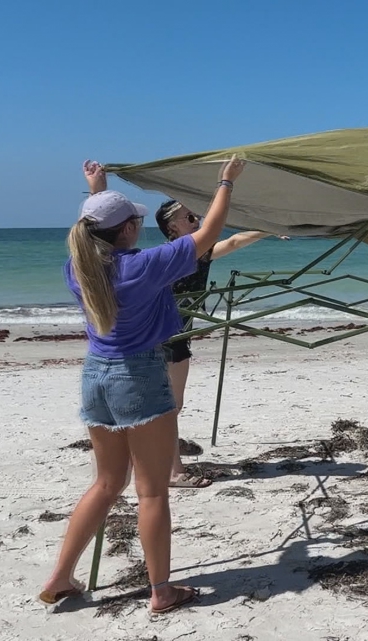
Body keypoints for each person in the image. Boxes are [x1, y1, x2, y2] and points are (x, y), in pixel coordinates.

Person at [38, 156, 245, 613]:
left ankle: (60, 575)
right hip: (139, 376)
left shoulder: (78, 267)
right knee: (151, 492)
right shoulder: (144, 266)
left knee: (106, 483)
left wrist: (97, 189)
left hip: (97, 375)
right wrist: (226, 182)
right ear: (130, 230)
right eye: (133, 219)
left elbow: (98, 232)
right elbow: (207, 235)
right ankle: (162, 591)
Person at [153, 200, 286, 488]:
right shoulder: (170, 253)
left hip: (179, 335)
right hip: (161, 337)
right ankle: (172, 471)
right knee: (167, 406)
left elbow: (235, 241)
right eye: (187, 214)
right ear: (171, 226)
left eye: (195, 212)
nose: (196, 216)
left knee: (174, 404)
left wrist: (268, 229)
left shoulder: (198, 253)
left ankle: (167, 447)